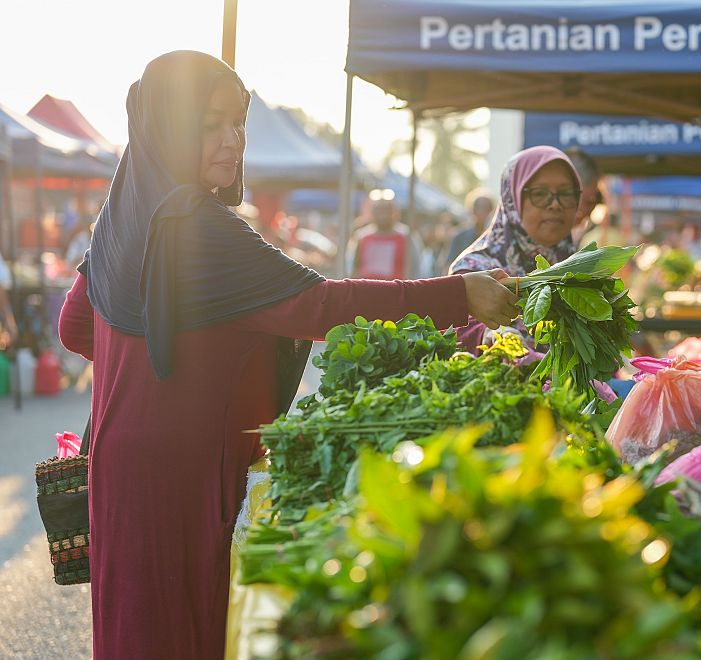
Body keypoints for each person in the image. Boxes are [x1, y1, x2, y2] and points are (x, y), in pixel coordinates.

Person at [56, 51, 518, 659]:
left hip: (118, 464)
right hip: (182, 470)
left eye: (239, 121)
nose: (233, 141)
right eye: (209, 124)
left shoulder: (119, 215)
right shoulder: (199, 226)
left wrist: (159, 366)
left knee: (131, 628)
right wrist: (458, 294)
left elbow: (75, 326)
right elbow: (318, 307)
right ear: (168, 124)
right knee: (183, 629)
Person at [450, 145, 580, 351]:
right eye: (539, 193)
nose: (555, 204)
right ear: (513, 200)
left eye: (566, 193)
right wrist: (491, 335)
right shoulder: (476, 268)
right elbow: (460, 331)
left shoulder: (581, 271)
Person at [352, 192, 420, 280]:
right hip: (367, 289)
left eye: (386, 210)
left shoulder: (407, 236)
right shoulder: (362, 237)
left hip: (397, 290)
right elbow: (354, 267)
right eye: (379, 210)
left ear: (394, 212)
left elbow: (415, 267)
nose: (383, 215)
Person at [446, 189, 495, 266]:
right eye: (480, 207)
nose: (483, 212)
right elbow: (448, 266)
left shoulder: (495, 239)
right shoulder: (459, 237)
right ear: (473, 210)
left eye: (487, 208)